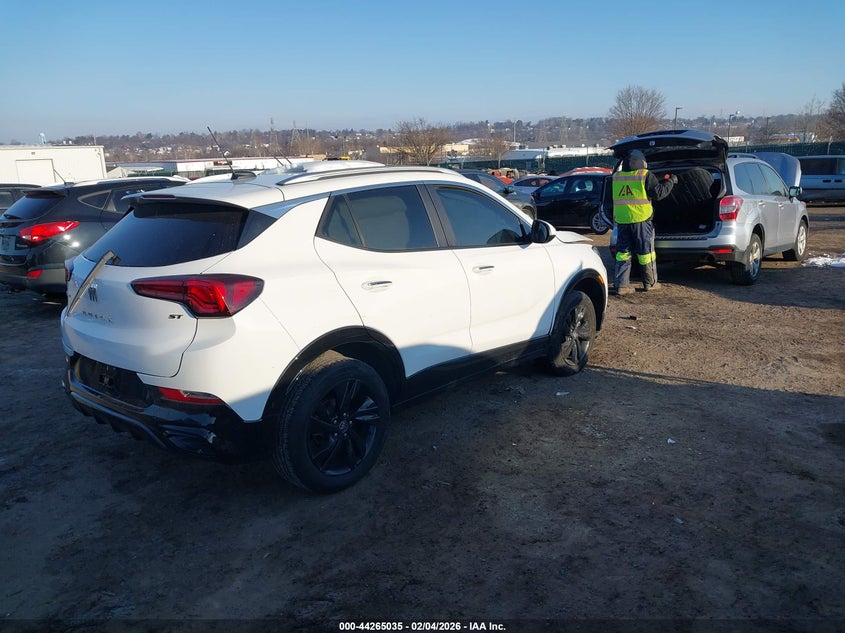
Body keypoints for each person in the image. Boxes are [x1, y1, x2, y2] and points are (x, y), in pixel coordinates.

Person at [611, 149, 677, 295]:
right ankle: (650, 283)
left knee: (623, 253)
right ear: (643, 162)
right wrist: (671, 181)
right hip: (641, 220)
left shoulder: (617, 176)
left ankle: (621, 285)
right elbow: (658, 193)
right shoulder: (645, 175)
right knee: (646, 253)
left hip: (622, 221)